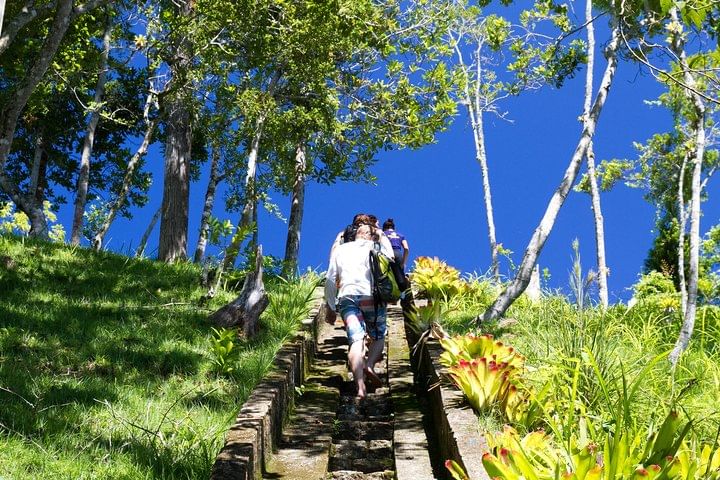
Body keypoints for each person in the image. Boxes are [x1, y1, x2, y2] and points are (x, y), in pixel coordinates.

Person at [324, 224, 386, 399]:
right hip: (371, 297)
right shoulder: (375, 246)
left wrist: (330, 305)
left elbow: (330, 278)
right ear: (369, 235)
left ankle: (360, 386)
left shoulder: (341, 250)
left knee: (356, 340)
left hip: (347, 297)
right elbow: (391, 258)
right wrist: (381, 235)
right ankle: (370, 365)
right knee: (379, 335)